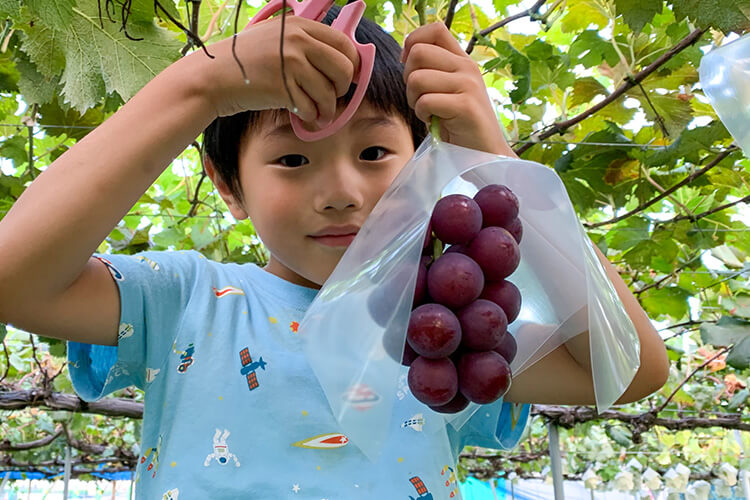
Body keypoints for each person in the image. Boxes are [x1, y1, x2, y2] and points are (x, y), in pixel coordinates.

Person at [0, 5, 669, 499]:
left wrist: (494, 156)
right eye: (292, 158)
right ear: (228, 186)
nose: (342, 193)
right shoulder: (187, 299)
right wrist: (198, 87)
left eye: (375, 152)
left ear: (426, 163)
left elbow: (631, 367)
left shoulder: (448, 329)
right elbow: (14, 281)